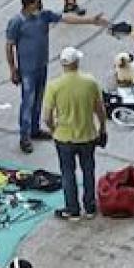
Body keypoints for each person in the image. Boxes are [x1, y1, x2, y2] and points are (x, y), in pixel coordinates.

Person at [5, 0, 105, 152]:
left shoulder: (43, 15)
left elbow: (65, 18)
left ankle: (35, 129)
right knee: (28, 102)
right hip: (27, 69)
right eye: (37, 2)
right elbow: (9, 46)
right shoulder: (17, 22)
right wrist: (13, 69)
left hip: (41, 65)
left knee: (38, 99)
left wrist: (90, 20)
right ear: (28, 5)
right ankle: (24, 136)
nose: (40, 5)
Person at [42, 46, 108, 220]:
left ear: (62, 64)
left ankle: (73, 209)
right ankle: (90, 207)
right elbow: (100, 110)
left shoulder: (54, 86)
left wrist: (53, 129)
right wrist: (102, 128)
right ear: (77, 62)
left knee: (68, 173)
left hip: (64, 138)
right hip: (87, 136)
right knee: (88, 171)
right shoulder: (90, 82)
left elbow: (46, 116)